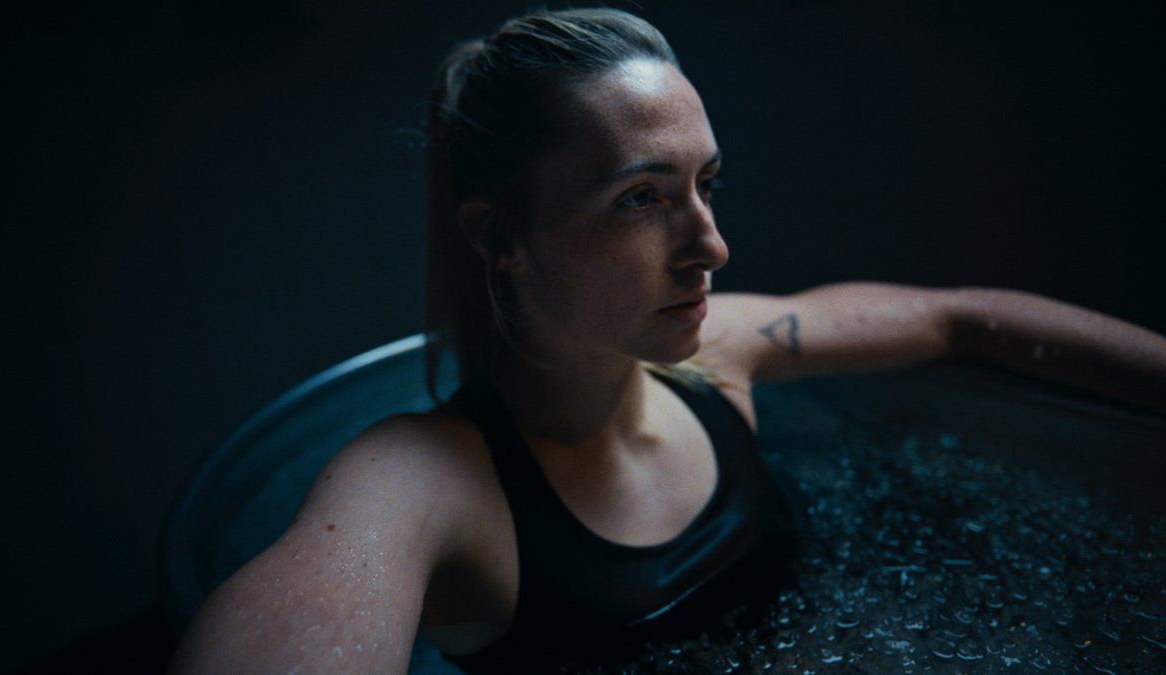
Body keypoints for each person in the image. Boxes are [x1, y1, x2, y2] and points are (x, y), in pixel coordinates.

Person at [169, 7, 1166, 673]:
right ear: (500, 237)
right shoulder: (426, 482)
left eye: (705, 185)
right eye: (641, 199)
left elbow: (965, 319)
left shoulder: (716, 354)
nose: (712, 247)